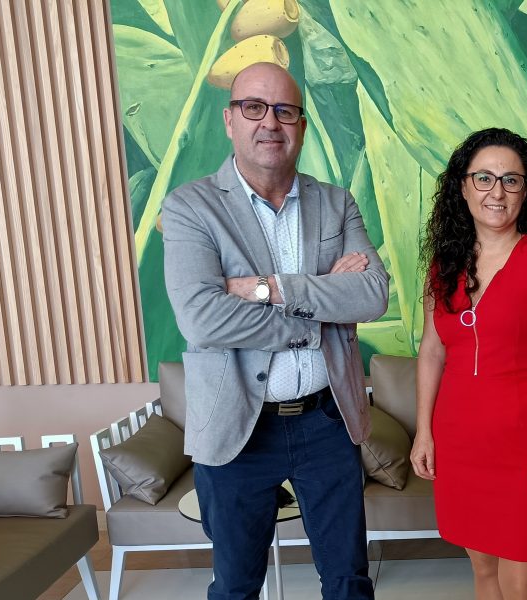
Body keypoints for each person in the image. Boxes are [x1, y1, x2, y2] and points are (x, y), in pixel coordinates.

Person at [162, 62, 388, 600]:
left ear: (302, 125)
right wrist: (318, 307)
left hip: (326, 421)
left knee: (349, 580)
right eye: (254, 108)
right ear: (230, 120)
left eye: (285, 111)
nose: (271, 123)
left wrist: (267, 288)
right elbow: (202, 318)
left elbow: (372, 295)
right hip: (238, 428)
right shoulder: (191, 207)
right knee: (236, 586)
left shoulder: (336, 202)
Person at [410, 128, 527, 600]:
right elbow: (432, 350)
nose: (497, 191)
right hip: (461, 444)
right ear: (462, 186)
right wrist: (423, 431)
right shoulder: (443, 265)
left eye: (511, 180)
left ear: (526, 191)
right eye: (484, 178)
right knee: (484, 574)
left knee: (522, 587)